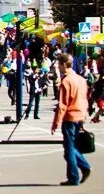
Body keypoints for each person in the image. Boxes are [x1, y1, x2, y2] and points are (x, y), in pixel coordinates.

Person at [51, 53, 91, 186]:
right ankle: (77, 172)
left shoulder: (66, 81)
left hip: (70, 117)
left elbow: (62, 105)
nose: (58, 67)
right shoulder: (80, 79)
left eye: (59, 64)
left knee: (69, 149)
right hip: (80, 114)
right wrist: (85, 115)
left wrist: (56, 122)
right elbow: (85, 99)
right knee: (70, 147)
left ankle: (78, 173)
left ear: (63, 64)